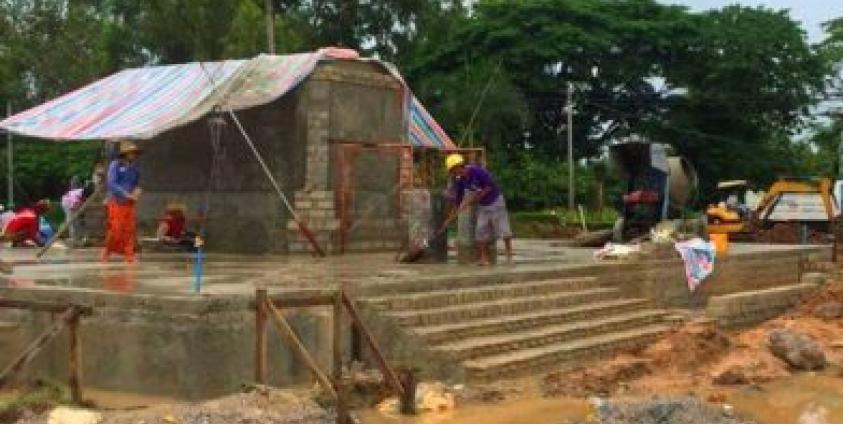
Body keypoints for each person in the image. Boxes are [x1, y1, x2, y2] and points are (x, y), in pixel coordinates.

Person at [445, 153, 513, 265]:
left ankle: (509, 255)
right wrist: (450, 217)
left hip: (496, 201)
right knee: (480, 230)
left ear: (459, 166)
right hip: (483, 205)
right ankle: (483, 259)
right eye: (451, 172)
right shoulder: (460, 181)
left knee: (503, 229)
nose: (453, 174)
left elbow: (489, 186)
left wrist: (475, 199)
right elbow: (458, 200)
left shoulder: (477, 171)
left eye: (453, 170)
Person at [101, 141, 142, 263]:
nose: (133, 155)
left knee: (129, 229)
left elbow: (137, 184)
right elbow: (111, 183)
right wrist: (125, 193)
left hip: (129, 203)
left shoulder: (135, 169)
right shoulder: (115, 165)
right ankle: (107, 250)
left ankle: (129, 254)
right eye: (131, 153)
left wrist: (137, 192)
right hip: (116, 201)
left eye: (135, 153)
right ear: (125, 153)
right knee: (116, 228)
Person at [61, 176, 85, 247]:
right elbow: (74, 202)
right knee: (72, 221)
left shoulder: (77, 191)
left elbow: (77, 201)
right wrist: (75, 207)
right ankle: (74, 239)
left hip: (69, 203)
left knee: (74, 221)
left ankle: (76, 239)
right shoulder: (78, 192)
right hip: (69, 204)